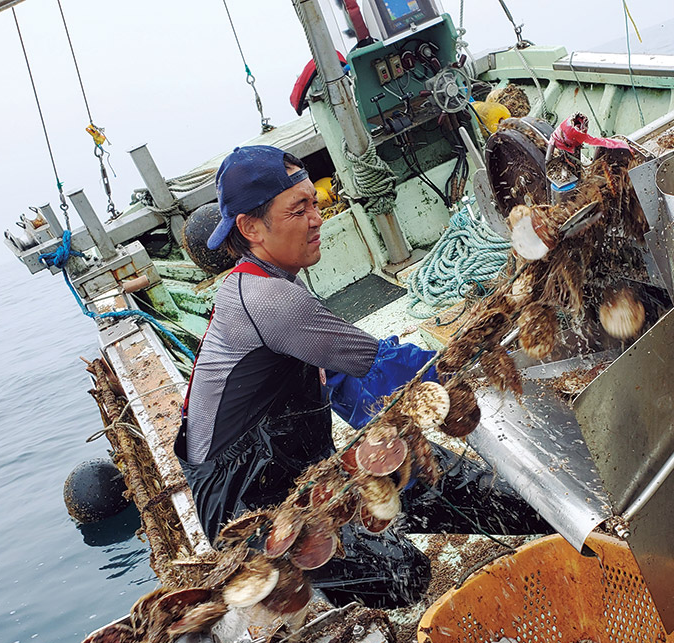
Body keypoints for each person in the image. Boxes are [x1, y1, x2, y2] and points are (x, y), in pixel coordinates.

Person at [175, 145, 544, 607]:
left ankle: (558, 522)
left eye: (314, 202)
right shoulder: (268, 302)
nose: (317, 218)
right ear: (250, 228)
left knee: (436, 478)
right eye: (298, 209)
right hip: (245, 505)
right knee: (401, 573)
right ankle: (329, 590)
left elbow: (341, 379)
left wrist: (394, 433)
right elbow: (382, 363)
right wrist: (460, 367)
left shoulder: (267, 285)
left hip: (296, 467)